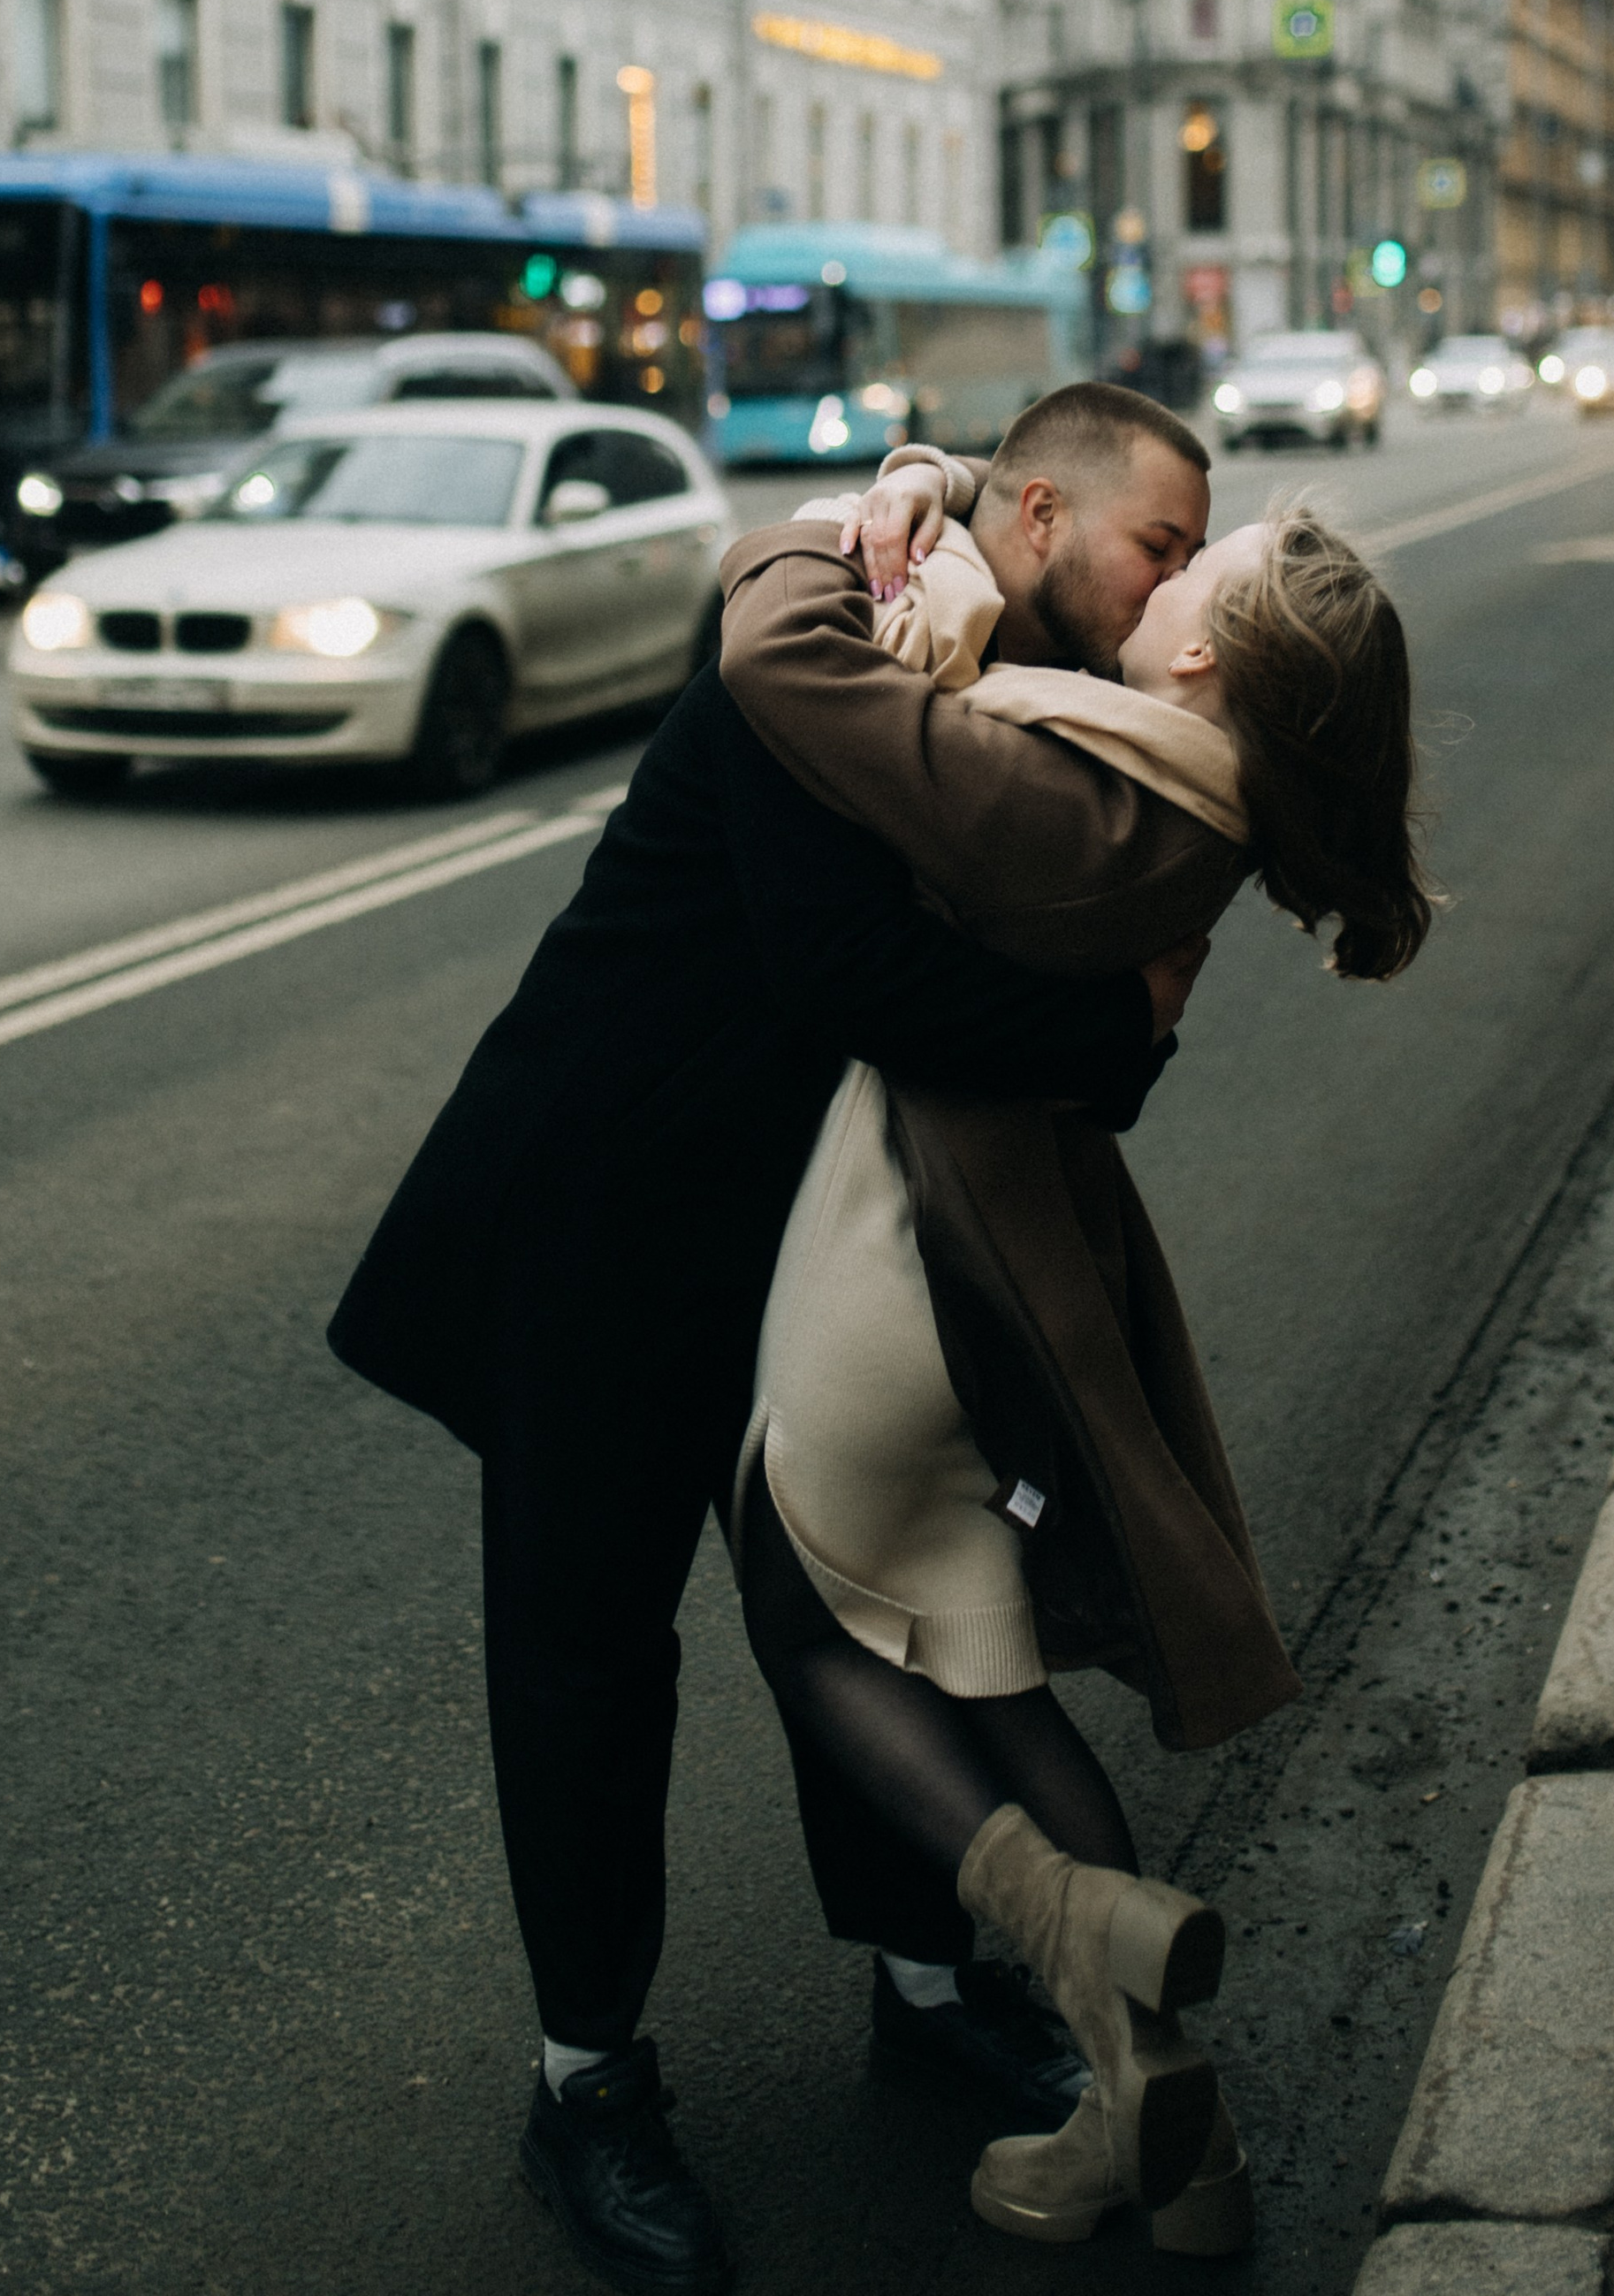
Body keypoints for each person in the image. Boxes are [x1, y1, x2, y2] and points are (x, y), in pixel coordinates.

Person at [328, 386, 1218, 2296]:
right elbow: (855, 972)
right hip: (602, 1211)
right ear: (1039, 511)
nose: (1167, 582)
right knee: (585, 1657)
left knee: (858, 1604)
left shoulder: (974, 671)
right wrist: (1119, 1036)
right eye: (1155, 543)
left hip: (801, 1228)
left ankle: (922, 1984)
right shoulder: (825, 645)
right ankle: (585, 2087)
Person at [716, 443, 1430, 2254]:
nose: (1157, 583)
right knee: (982, 1670)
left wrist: (833, 525)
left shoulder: (1083, 797)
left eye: (1204, 569)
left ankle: (1056, 1921)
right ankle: (1166, 2148)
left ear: (1204, 662)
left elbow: (781, 661)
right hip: (998, 1260)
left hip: (901, 1266)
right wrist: (935, 482)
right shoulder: (1172, 794)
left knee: (802, 1617)